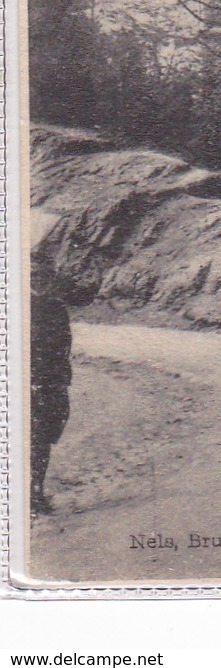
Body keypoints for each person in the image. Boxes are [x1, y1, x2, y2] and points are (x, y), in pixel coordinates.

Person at [30, 211, 75, 516]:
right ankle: (34, 492)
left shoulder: (56, 307)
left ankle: (35, 489)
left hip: (54, 380)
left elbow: (64, 346)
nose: (40, 282)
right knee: (33, 437)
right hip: (29, 382)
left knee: (49, 431)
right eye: (34, 277)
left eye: (45, 277)